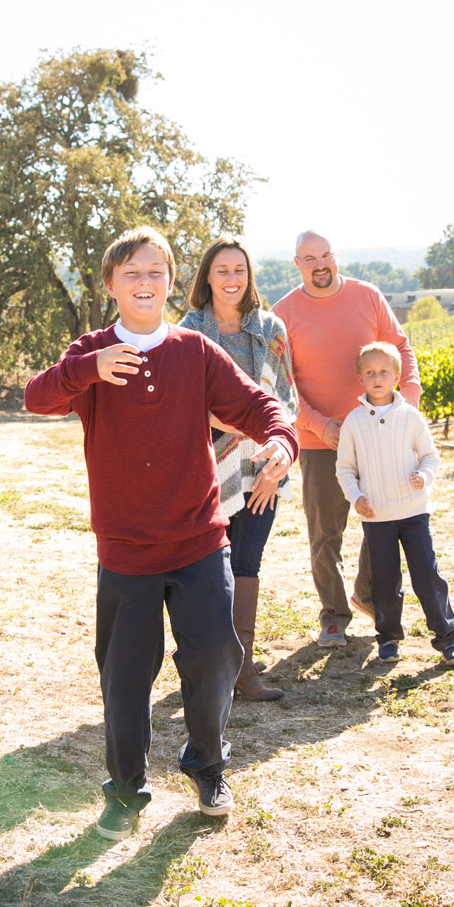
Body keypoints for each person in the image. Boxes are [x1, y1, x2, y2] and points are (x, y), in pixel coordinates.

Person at [24, 226, 298, 842]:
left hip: (200, 541)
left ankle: (207, 765)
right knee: (124, 678)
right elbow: (36, 396)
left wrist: (281, 439)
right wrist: (88, 369)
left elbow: (258, 404)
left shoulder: (193, 352)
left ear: (172, 283)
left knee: (214, 658)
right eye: (132, 273)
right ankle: (124, 792)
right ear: (111, 286)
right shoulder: (90, 351)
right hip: (126, 551)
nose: (145, 282)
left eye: (156, 272)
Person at [273, 230, 421, 648]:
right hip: (321, 441)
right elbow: (282, 384)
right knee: (325, 534)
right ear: (297, 264)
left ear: (335, 257)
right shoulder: (283, 312)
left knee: (385, 519)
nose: (319, 264)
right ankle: (334, 615)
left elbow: (401, 349)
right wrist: (321, 425)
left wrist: (405, 402)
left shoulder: (368, 296)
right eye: (308, 258)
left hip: (379, 433)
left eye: (325, 256)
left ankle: (366, 594)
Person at [180, 236, 298, 702]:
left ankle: (243, 673)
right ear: (207, 276)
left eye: (240, 270)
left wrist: (274, 465)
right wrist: (246, 427)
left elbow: (285, 399)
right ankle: (207, 670)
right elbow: (190, 404)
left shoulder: (271, 328)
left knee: (248, 562)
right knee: (208, 568)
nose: (232, 279)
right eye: (222, 270)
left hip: (266, 464)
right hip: (205, 467)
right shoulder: (188, 331)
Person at [335, 342, 454, 666]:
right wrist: (356, 497)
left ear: (396, 376)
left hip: (413, 512)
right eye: (370, 372)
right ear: (360, 378)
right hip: (377, 515)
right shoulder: (353, 422)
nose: (377, 378)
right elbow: (345, 469)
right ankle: (388, 639)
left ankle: (448, 640)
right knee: (383, 581)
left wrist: (424, 475)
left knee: (427, 575)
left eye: (384, 372)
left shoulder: (410, 416)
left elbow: (430, 456)